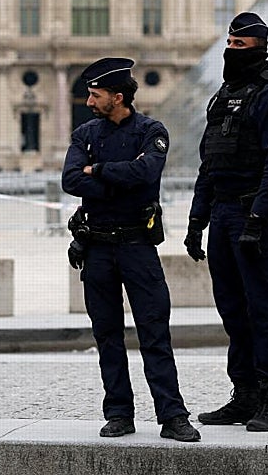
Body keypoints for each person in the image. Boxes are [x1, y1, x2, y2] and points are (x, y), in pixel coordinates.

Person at [62, 57, 200, 443]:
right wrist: (116, 176)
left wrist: (98, 171)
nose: (89, 101)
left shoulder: (151, 131)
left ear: (117, 97)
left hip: (138, 246)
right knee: (107, 335)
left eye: (95, 95)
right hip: (98, 247)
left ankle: (172, 415)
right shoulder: (85, 133)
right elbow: (70, 179)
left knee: (155, 333)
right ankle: (119, 413)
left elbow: (146, 175)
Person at [184, 12, 268, 432]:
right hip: (222, 215)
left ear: (259, 48)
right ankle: (244, 393)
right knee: (232, 309)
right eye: (229, 45)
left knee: (262, 309)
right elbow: (209, 162)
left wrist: (257, 217)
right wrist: (197, 220)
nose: (231, 52)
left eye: (239, 47)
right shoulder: (222, 95)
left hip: (256, 216)